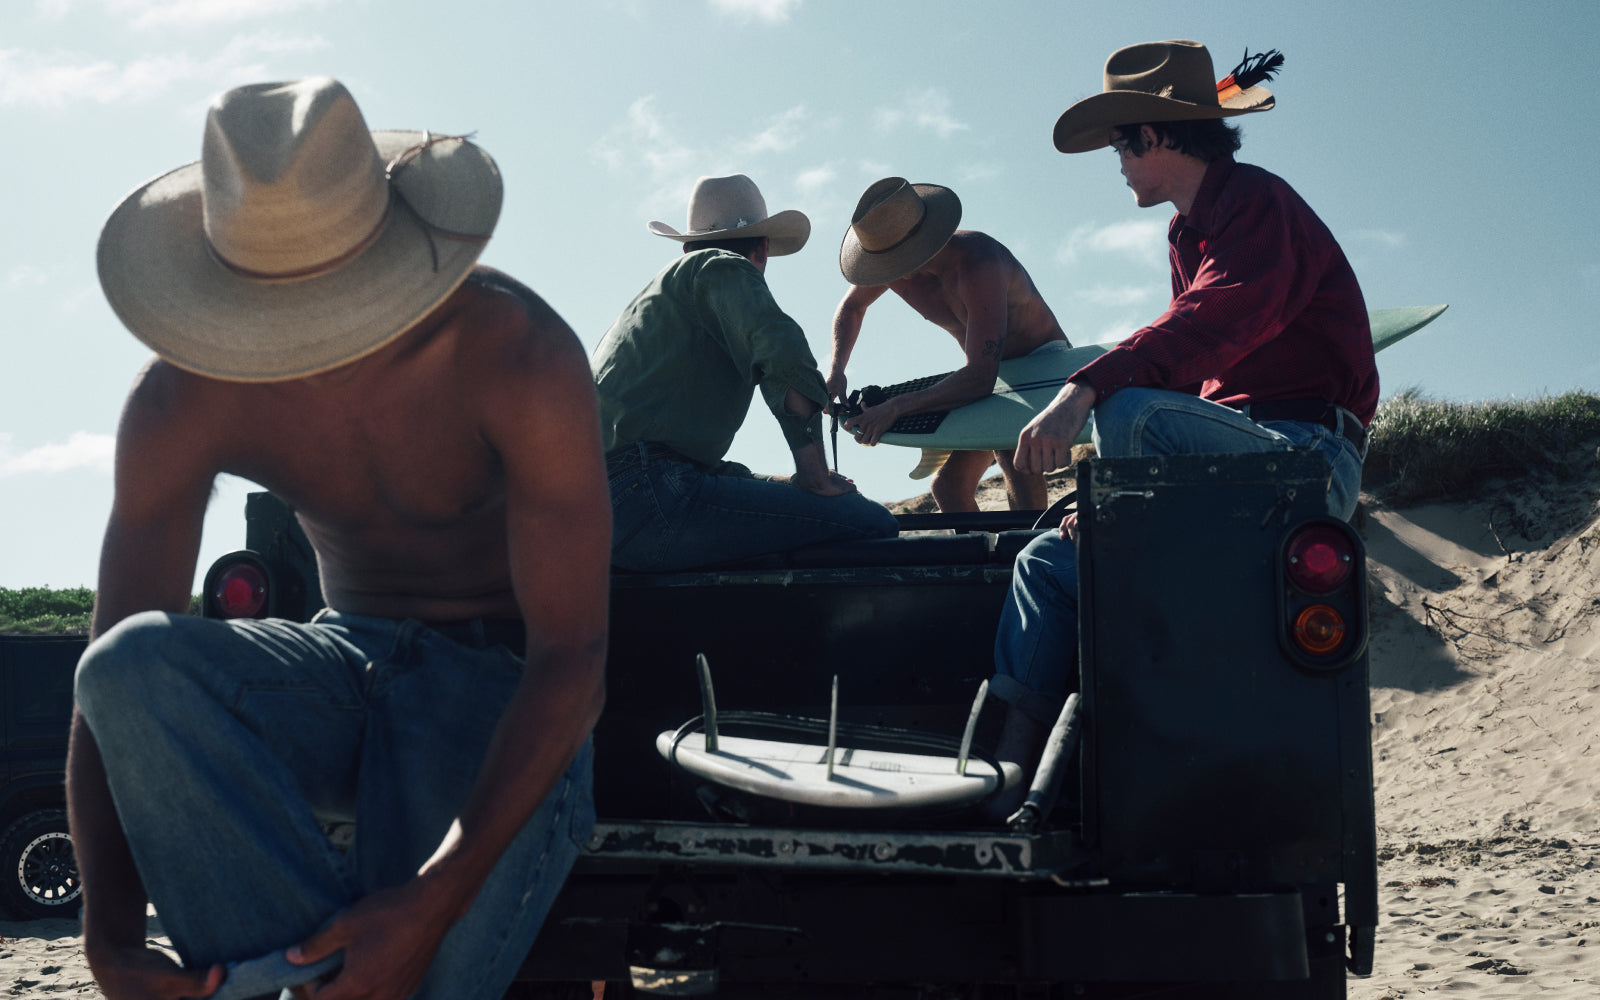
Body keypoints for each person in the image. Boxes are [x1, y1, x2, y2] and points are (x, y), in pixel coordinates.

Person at [68, 77, 609, 1000]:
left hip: (502, 676)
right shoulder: (182, 398)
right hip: (340, 656)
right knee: (128, 664)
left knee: (416, 969)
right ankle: (308, 976)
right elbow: (110, 694)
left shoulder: (514, 352)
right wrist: (108, 936)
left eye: (341, 297)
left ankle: (311, 977)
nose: (320, 336)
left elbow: (573, 660)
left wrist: (428, 907)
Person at [989, 41, 1379, 796]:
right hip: (1228, 462)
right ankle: (1011, 778)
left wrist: (1083, 389)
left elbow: (1212, 321)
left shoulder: (1259, 203)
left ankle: (1136, 628)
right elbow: (1195, 377)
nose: (1118, 164)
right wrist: (1105, 499)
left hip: (1302, 460)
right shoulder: (1188, 234)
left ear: (1154, 136)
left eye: (1120, 146)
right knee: (1044, 566)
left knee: (1129, 407)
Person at [594, 173, 899, 572]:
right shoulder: (723, 265)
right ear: (763, 249)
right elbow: (784, 352)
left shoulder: (649, 309)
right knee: (870, 522)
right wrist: (816, 477)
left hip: (593, 510)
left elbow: (673, 460)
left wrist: (783, 483)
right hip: (647, 499)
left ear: (686, 246)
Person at [829, 178, 1072, 512]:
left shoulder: (978, 263)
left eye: (898, 259)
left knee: (1007, 448)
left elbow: (981, 377)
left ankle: (1031, 540)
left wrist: (895, 408)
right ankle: (987, 549)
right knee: (948, 487)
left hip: (1043, 366)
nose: (892, 272)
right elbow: (852, 307)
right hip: (990, 379)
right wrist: (836, 370)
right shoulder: (892, 270)